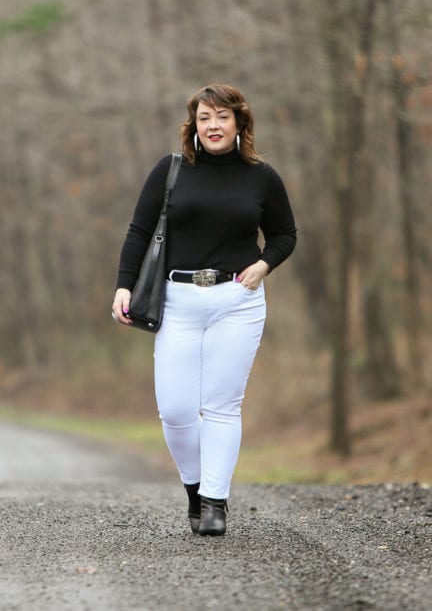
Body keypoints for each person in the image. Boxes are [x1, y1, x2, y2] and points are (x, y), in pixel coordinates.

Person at [112, 84, 296, 536]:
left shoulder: (262, 176)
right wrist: (123, 286)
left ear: (240, 123)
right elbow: (139, 231)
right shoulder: (171, 170)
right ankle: (195, 490)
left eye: (222, 117)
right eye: (204, 118)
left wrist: (263, 265)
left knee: (221, 406)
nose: (213, 126)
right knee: (175, 410)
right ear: (193, 125)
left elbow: (284, 234)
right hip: (177, 300)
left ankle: (215, 502)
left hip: (237, 302)